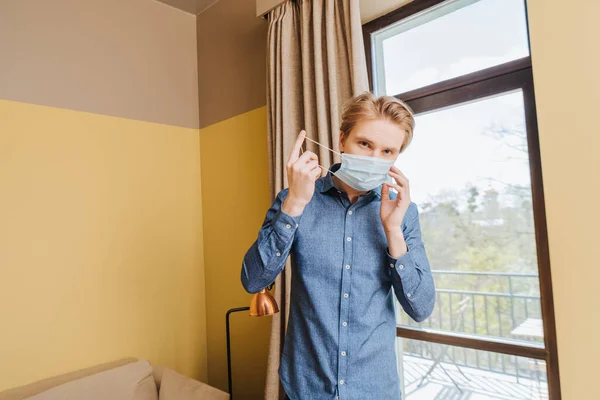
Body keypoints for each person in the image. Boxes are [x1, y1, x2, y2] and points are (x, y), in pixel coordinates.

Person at [241, 92, 436, 400]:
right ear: (342, 139)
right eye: (365, 144)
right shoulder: (296, 198)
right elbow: (253, 280)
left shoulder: (404, 213)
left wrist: (393, 231)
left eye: (387, 151)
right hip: (305, 387)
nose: (374, 159)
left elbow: (421, 308)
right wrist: (295, 203)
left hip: (374, 389)